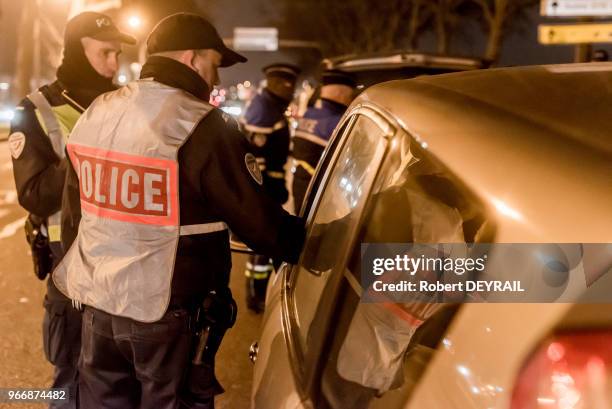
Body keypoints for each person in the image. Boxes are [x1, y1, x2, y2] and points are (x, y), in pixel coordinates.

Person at [52, 13, 305, 409]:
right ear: (192, 59)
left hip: (98, 310)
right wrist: (324, 239)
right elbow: (262, 229)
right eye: (214, 66)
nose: (216, 80)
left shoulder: (99, 109)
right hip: (167, 319)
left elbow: (73, 216)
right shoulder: (202, 124)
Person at [8, 12, 135, 408]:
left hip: (128, 264)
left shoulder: (126, 105)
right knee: (72, 377)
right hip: (71, 265)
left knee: (121, 381)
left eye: (117, 55)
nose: (114, 65)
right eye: (104, 54)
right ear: (78, 51)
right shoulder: (34, 110)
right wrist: (86, 153)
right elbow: (34, 194)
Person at [239, 62, 300, 312]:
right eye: (288, 85)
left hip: (263, 188)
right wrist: (273, 187)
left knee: (263, 248)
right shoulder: (265, 112)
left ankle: (258, 294)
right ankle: (256, 297)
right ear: (278, 84)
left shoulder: (268, 106)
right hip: (264, 189)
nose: (291, 90)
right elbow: (260, 156)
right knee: (264, 247)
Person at [291, 69, 356, 212]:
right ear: (340, 94)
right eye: (350, 95)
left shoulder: (309, 113)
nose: (350, 100)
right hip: (322, 190)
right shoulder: (338, 122)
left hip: (300, 182)